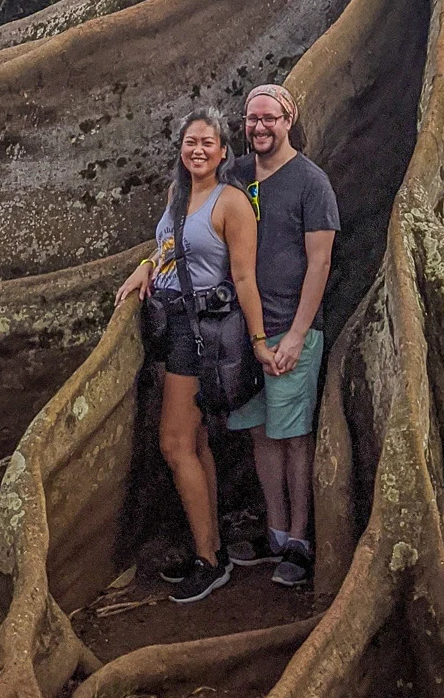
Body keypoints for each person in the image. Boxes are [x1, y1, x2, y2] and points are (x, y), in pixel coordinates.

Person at [115, 106, 270, 604]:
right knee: (195, 440)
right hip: (171, 322)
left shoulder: (232, 203)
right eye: (190, 143)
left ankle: (210, 560)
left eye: (207, 143)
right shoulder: (177, 194)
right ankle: (212, 548)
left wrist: (259, 341)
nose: (197, 150)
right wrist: (145, 266)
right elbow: (169, 246)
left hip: (205, 333)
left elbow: (244, 278)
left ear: (224, 151)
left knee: (174, 442)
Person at [225, 83, 339, 589]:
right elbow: (186, 218)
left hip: (290, 331)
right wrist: (146, 267)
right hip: (241, 334)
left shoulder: (312, 184)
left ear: (289, 119)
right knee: (260, 434)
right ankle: (273, 531)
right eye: (252, 120)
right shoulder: (235, 175)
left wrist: (295, 335)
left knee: (294, 437)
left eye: (270, 118)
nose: (260, 128)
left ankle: (299, 538)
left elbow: (320, 263)